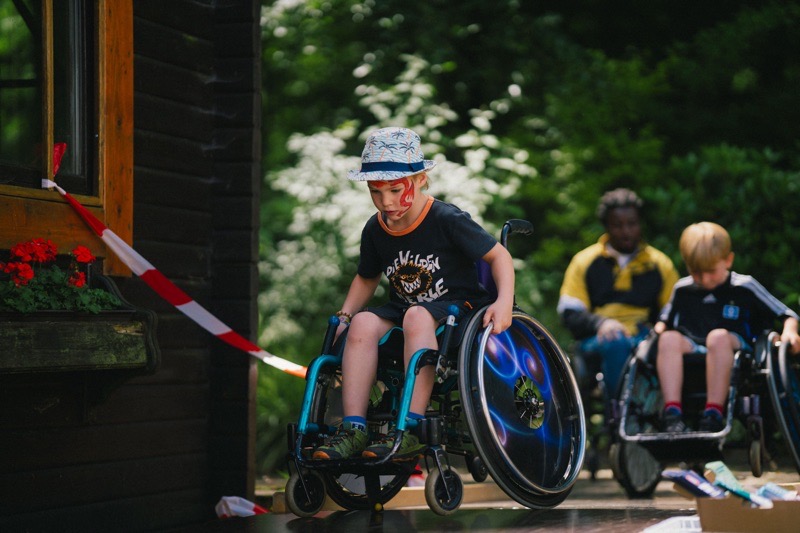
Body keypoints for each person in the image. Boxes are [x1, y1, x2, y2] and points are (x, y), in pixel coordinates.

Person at [312, 127, 515, 461]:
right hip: (404, 308)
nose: (386, 201)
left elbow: (499, 257)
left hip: (456, 309)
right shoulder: (376, 228)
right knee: (363, 324)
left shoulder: (446, 218)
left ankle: (411, 426)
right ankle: (353, 429)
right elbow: (366, 277)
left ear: (420, 179)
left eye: (395, 189)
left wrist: (503, 301)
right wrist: (345, 318)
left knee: (417, 315)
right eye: (376, 192)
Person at [654, 221, 800, 433]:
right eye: (696, 272)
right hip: (694, 349)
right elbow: (663, 323)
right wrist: (654, 335)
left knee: (718, 337)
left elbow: (787, 314)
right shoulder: (683, 289)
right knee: (667, 339)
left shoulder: (744, 286)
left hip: (737, 350)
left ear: (728, 260)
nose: (704, 279)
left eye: (711, 271)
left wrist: (790, 332)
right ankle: (672, 413)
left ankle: (713, 414)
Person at [557, 188, 679, 399]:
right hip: (600, 338)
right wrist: (601, 323)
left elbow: (674, 309)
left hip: (644, 334)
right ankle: (619, 414)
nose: (626, 231)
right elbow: (570, 312)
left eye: (632, 224)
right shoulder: (585, 261)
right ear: (606, 227)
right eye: (618, 225)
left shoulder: (659, 263)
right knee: (616, 342)